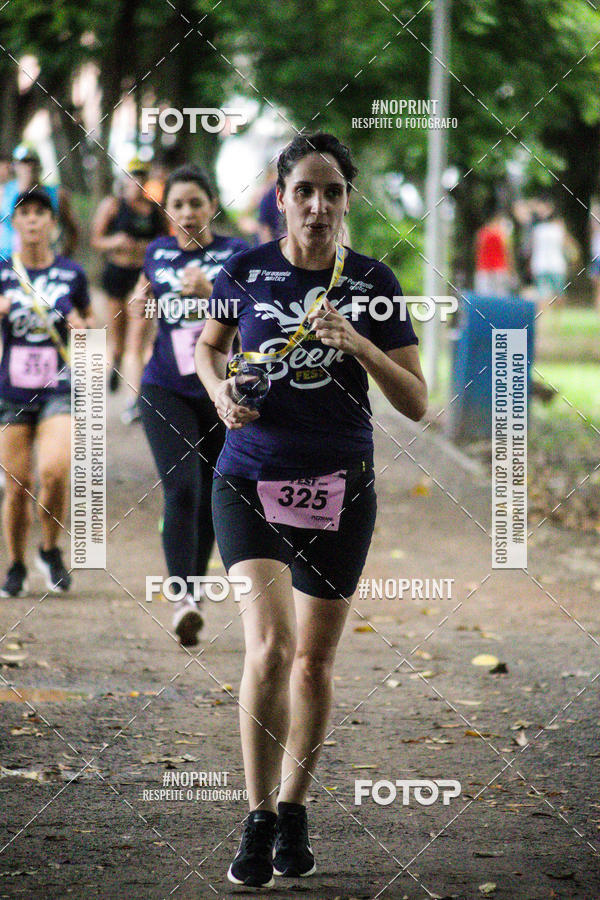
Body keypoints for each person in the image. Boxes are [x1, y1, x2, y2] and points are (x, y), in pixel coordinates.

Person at [196, 132, 427, 889]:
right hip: (249, 478)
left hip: (339, 485)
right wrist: (220, 393)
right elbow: (208, 348)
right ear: (280, 196)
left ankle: (295, 807)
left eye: (332, 192)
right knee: (269, 648)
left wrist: (360, 345)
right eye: (304, 190)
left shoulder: (373, 281)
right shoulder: (245, 270)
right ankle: (258, 817)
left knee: (314, 661)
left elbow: (416, 402)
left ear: (347, 200)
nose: (318, 206)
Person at [132, 165, 248, 646]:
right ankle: (182, 599)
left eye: (196, 203)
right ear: (167, 211)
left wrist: (211, 294)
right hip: (166, 388)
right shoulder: (156, 253)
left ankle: (194, 593)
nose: (187, 213)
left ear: (212, 206)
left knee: (211, 494)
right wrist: (133, 354)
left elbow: (254, 319)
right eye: (177, 205)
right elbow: (146, 306)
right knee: (181, 489)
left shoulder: (236, 254)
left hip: (220, 391)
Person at [0, 189, 93, 597]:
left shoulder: (72, 273)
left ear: (53, 223)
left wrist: (79, 323)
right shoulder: (3, 270)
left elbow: (90, 323)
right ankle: (16, 565)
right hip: (11, 391)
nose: (33, 220)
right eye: (25, 214)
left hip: (59, 387)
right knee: (17, 485)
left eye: (41, 213)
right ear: (15, 223)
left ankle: (50, 550)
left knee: (54, 472)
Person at [91, 157, 166, 418]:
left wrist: (146, 248)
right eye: (133, 176)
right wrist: (116, 242)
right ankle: (116, 361)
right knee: (119, 338)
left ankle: (133, 399)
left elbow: (165, 242)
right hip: (116, 275)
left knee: (137, 338)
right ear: (125, 179)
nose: (137, 181)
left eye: (141, 176)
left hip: (142, 278)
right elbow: (96, 240)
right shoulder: (113, 205)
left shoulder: (154, 210)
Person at [0, 144, 79, 260]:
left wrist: (64, 256)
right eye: (24, 162)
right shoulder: (3, 193)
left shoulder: (56, 194)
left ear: (40, 166)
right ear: (14, 166)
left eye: (33, 162)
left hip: (43, 260)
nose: (29, 167)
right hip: (7, 259)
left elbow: (72, 229)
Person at [474, 210, 514, 295]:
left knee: (484, 295)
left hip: (484, 268)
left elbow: (478, 252)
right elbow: (507, 252)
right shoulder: (501, 235)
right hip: (499, 269)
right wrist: (510, 270)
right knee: (500, 295)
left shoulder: (482, 233)